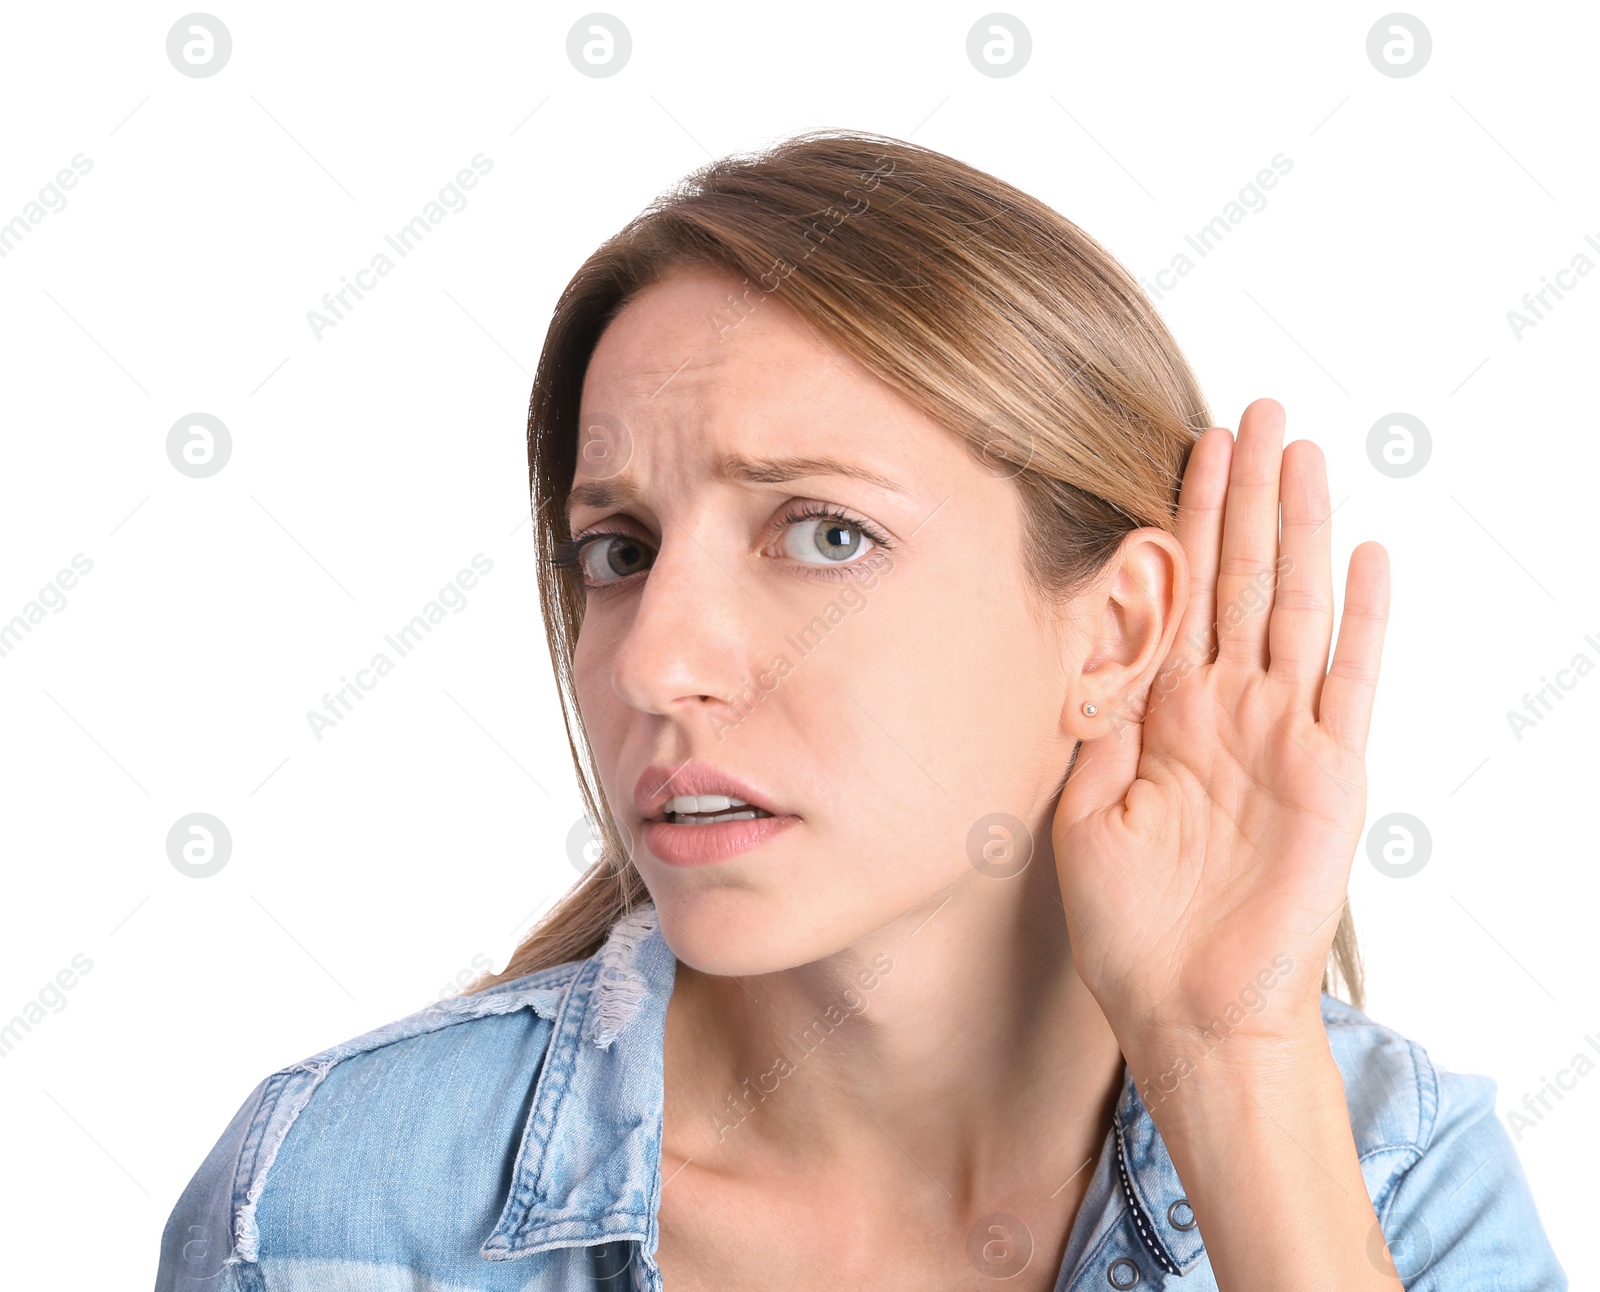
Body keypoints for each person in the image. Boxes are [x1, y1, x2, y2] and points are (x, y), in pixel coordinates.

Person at [154, 129, 1566, 1290]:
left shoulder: (1397, 1180)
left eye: (822, 533)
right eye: (621, 550)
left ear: (1117, 629)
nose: (655, 665)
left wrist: (1232, 1063)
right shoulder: (328, 1209)